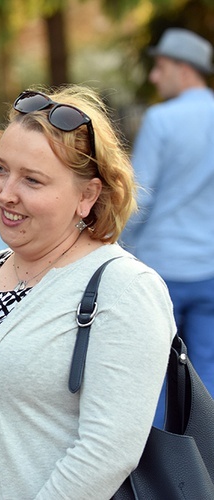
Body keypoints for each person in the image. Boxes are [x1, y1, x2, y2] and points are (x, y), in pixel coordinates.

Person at [0, 86, 176, 499]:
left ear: (87, 196)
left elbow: (108, 449)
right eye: (0, 169)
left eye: (32, 180)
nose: (5, 193)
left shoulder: (124, 288)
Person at [121, 27, 214, 424]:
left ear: (184, 69)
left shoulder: (161, 120)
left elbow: (138, 196)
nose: (155, 78)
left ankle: (158, 474)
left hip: (162, 269)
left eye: (160, 68)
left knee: (154, 376)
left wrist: (120, 247)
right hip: (210, 268)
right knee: (207, 375)